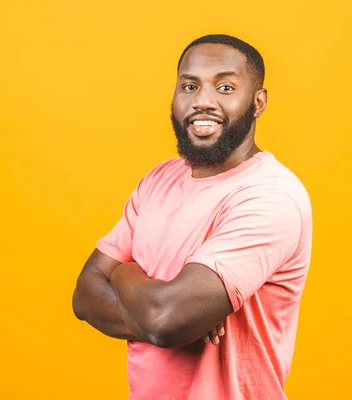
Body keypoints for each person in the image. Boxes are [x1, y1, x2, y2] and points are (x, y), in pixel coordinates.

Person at [72, 34, 313, 400]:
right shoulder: (159, 179)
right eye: (189, 85)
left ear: (258, 101)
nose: (203, 101)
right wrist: (154, 306)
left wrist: (121, 273)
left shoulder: (269, 196)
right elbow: (85, 296)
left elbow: (166, 321)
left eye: (226, 86)